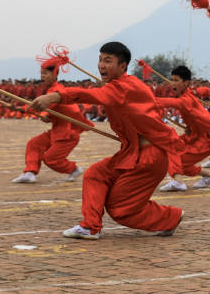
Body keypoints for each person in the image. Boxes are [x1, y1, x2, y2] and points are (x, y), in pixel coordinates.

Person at [31, 42, 184, 239]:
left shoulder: (123, 87)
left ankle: (170, 217)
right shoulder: (118, 86)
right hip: (131, 152)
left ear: (123, 66)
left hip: (149, 158)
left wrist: (56, 96)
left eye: (108, 61)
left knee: (120, 209)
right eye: (101, 60)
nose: (102, 65)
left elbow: (91, 95)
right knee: (96, 174)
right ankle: (90, 226)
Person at [13, 49, 90, 184]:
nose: (42, 76)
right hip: (57, 130)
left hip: (67, 133)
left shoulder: (57, 90)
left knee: (50, 159)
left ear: (54, 74)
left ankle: (74, 169)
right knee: (34, 144)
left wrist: (41, 113)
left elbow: (49, 105)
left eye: (45, 73)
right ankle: (30, 172)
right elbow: (41, 106)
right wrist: (21, 109)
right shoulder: (50, 89)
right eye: (41, 73)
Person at [156, 65, 210, 191]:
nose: (172, 83)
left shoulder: (186, 99)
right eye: (171, 80)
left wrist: (145, 100)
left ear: (186, 83)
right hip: (194, 136)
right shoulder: (186, 94)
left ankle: (178, 182)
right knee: (176, 160)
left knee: (173, 154)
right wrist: (192, 127)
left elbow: (171, 103)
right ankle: (209, 175)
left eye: (176, 80)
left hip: (206, 140)